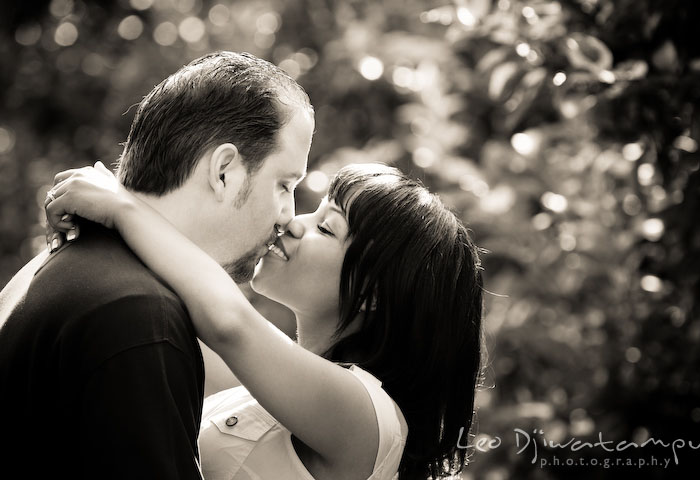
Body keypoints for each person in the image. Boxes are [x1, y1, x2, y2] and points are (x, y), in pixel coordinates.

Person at [44, 161, 486, 480]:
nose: (294, 222)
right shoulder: (263, 385)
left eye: (327, 228)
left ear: (371, 294)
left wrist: (122, 207)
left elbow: (227, 321)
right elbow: (183, 311)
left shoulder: (371, 421)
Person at [0, 51, 313, 479]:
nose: (288, 216)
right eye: (284, 184)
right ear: (224, 171)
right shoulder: (141, 315)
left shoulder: (52, 269)